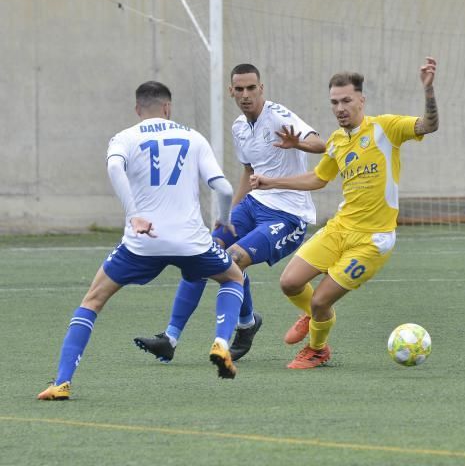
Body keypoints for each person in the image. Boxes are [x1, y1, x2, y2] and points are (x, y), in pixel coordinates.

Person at [38, 82, 244, 401]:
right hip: (192, 241)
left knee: (92, 300)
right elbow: (224, 187)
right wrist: (225, 218)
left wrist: (134, 213)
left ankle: (62, 382)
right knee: (233, 278)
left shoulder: (125, 137)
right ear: (168, 107)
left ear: (138, 109)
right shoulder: (193, 137)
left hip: (143, 242)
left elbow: (113, 167)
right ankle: (221, 343)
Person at [249, 57, 439, 369]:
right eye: (334, 102)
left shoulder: (386, 128)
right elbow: (318, 179)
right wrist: (271, 182)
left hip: (372, 240)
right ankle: (312, 315)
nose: (340, 108)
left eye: (346, 100)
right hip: (340, 228)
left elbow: (429, 125)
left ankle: (317, 349)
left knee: (322, 299)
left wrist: (428, 90)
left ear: (361, 100)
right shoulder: (336, 141)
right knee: (289, 283)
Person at [133, 64, 325, 363]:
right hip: (253, 205)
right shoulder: (239, 127)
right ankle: (170, 338)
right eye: (240, 89)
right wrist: (230, 214)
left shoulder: (279, 116)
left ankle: (245, 325)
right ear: (231, 91)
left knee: (232, 259)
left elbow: (320, 143)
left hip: (287, 215)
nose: (246, 95)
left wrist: (297, 142)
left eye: (251, 88)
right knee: (199, 252)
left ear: (261, 88)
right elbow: (248, 171)